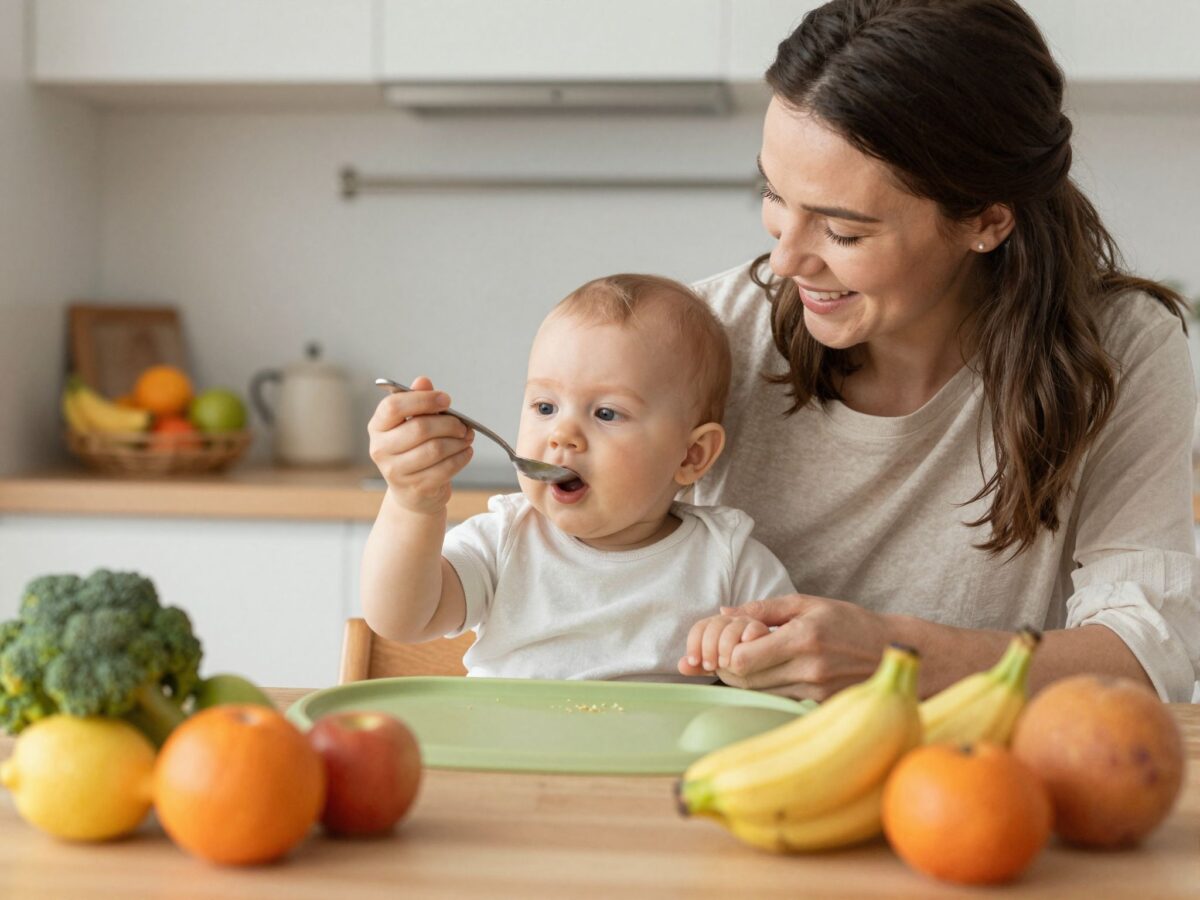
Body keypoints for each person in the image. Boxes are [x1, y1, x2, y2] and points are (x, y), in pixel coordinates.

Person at [676, 0, 1199, 703]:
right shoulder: (708, 331)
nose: (787, 258)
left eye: (844, 232)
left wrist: (898, 658)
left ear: (984, 220)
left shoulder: (1123, 349)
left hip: (990, 788)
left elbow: (1146, 646)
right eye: (774, 195)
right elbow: (550, 549)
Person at [360, 274, 795, 681]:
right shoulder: (504, 540)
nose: (562, 434)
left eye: (606, 413)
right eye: (545, 407)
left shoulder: (730, 561)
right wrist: (412, 505)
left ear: (692, 455)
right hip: (506, 758)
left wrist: (749, 651)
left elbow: (791, 668)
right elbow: (401, 618)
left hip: (654, 764)